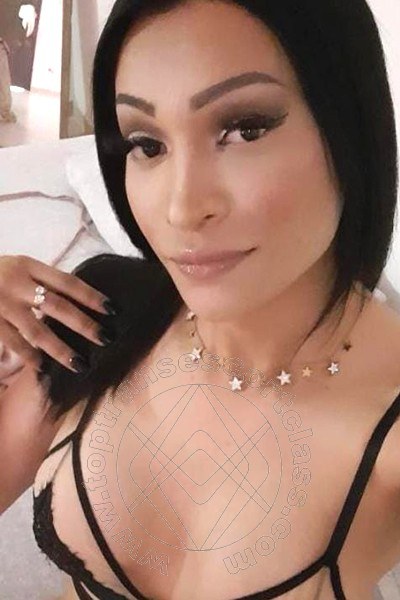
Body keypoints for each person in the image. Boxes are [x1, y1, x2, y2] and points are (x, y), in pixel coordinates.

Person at [0, 0, 400, 599]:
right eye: (147, 144)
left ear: (351, 129)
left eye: (245, 129)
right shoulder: (99, 311)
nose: (182, 209)